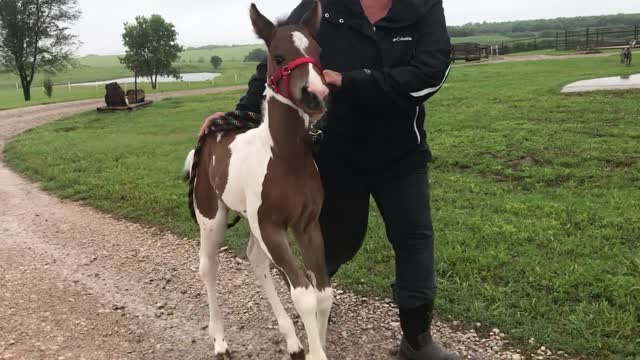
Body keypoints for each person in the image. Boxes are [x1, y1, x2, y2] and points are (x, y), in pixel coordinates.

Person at [204, 0, 457, 359]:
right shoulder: (321, 5)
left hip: (401, 150)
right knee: (339, 238)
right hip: (337, 150)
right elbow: (279, 54)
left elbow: (430, 72)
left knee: (414, 237)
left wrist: (350, 81)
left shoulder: (423, 6)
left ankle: (417, 339)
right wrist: (243, 113)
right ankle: (320, 292)